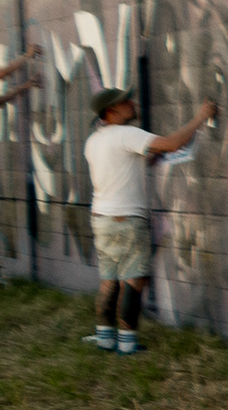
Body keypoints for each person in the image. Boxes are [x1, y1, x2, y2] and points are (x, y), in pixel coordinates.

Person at [79, 86, 213, 352]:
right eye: (125, 102)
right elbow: (172, 143)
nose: (132, 104)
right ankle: (128, 344)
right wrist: (201, 116)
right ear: (111, 110)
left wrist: (152, 158)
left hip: (102, 218)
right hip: (127, 220)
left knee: (109, 280)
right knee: (134, 280)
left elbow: (123, 165)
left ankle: (105, 337)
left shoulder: (94, 140)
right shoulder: (126, 134)